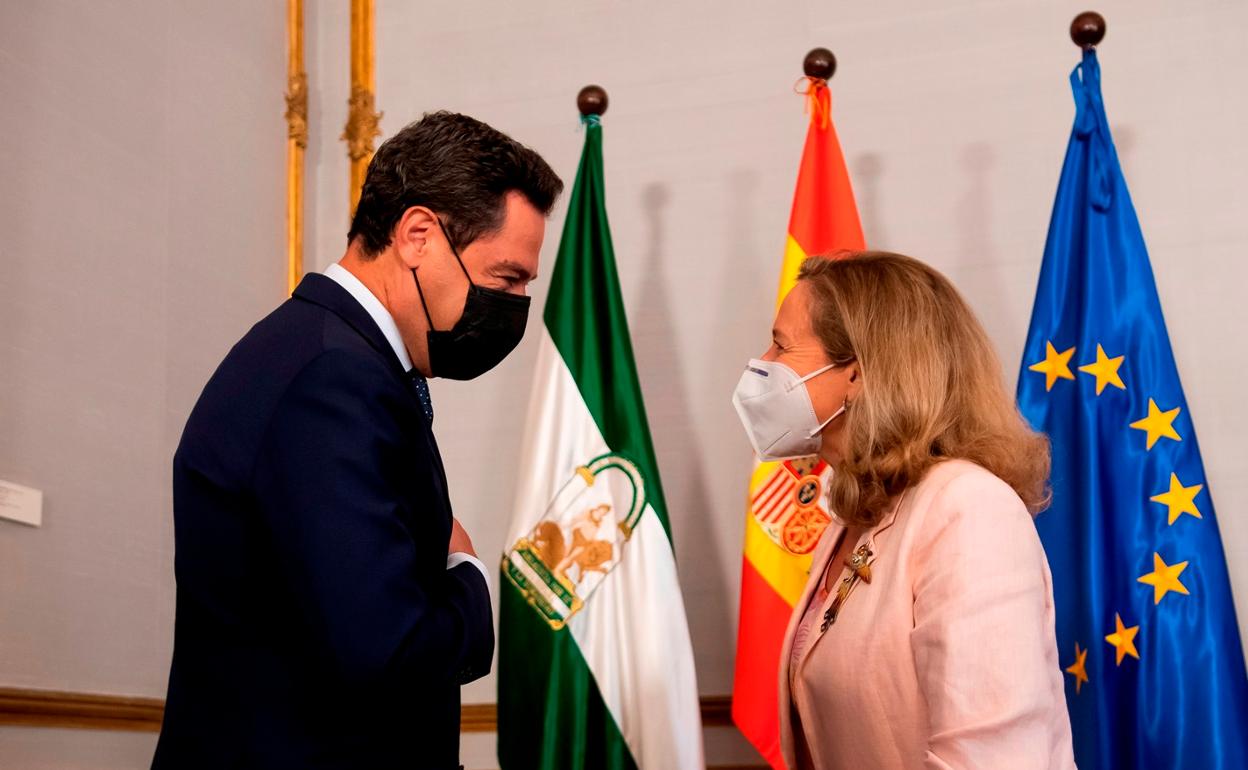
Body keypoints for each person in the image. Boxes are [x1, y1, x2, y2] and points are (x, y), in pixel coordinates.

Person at [152, 112, 562, 769]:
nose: (513, 305)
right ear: (418, 235)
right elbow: (385, 649)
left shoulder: (334, 356)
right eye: (506, 278)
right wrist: (467, 575)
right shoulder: (332, 376)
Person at [732, 252, 1076, 769]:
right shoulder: (858, 510)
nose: (763, 362)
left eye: (781, 344)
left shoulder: (969, 510)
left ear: (858, 374)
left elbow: (989, 758)